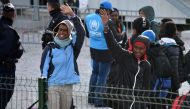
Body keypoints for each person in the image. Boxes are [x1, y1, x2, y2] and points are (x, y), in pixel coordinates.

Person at [101, 10, 152, 109]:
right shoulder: (126, 56)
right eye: (136, 47)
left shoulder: (146, 65)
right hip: (121, 101)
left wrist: (143, 104)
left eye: (141, 48)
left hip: (136, 104)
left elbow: (146, 88)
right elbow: (113, 45)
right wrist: (106, 28)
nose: (137, 50)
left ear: (146, 49)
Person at [40, 5, 85, 109]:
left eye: (65, 30)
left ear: (69, 32)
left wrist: (72, 15)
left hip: (67, 86)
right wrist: (45, 87)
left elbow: (81, 33)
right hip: (53, 86)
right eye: (60, 29)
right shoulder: (50, 47)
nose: (61, 32)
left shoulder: (72, 48)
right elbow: (44, 68)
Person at [85, 1, 113, 107]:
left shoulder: (88, 17)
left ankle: (91, 98)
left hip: (93, 48)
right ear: (106, 10)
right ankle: (99, 101)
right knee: (102, 76)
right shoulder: (107, 21)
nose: (110, 13)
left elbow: (87, 33)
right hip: (105, 50)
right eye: (109, 11)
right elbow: (110, 36)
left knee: (95, 73)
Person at [0, 1, 23, 108]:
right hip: (5, 70)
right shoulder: (10, 32)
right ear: (13, 15)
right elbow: (9, 51)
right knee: (4, 96)